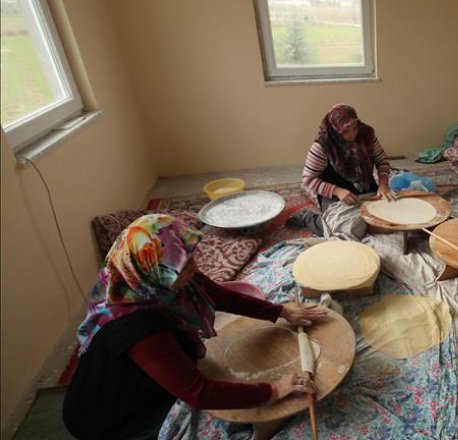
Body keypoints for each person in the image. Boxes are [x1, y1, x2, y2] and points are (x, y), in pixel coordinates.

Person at [63, 214, 328, 440]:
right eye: (184, 267)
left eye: (189, 260)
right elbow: (199, 392)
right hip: (112, 418)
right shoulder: (139, 329)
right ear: (154, 271)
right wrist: (272, 390)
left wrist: (281, 312)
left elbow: (217, 294)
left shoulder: (148, 276)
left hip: (135, 377)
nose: (194, 269)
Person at [287, 104, 396, 236]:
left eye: (355, 128)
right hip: (335, 194)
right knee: (342, 229)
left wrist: (383, 184)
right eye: (345, 131)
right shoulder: (323, 146)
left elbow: (381, 160)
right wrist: (337, 191)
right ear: (335, 130)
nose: (352, 134)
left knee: (390, 217)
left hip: (365, 187)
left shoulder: (366, 134)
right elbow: (308, 180)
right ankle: (308, 219)